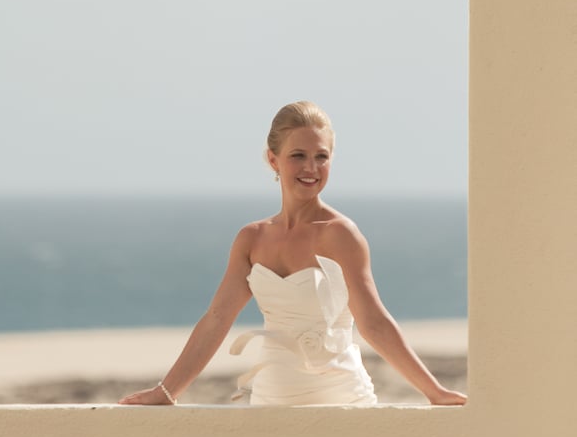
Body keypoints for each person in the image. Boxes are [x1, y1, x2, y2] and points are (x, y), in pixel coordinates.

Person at [118, 101, 467, 407]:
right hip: (271, 403)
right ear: (273, 159)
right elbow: (216, 320)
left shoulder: (342, 235)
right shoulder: (251, 239)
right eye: (298, 155)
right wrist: (167, 391)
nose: (311, 168)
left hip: (342, 401)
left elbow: (373, 322)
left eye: (321, 157)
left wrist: (433, 391)